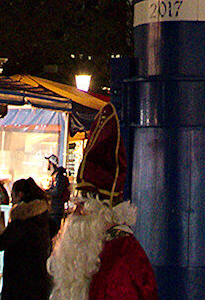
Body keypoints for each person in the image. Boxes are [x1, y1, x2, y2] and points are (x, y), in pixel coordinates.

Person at [48, 105, 158, 300]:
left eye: (80, 206)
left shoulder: (121, 260)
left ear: (98, 211)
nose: (73, 214)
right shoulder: (100, 250)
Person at [0, 178, 52, 300]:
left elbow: (4, 241)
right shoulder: (42, 215)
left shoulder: (23, 218)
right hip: (38, 278)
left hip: (20, 280)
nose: (11, 200)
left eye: (12, 195)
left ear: (19, 194)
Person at [45, 158, 70, 232]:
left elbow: (57, 192)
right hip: (55, 209)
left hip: (56, 209)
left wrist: (48, 193)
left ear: (51, 163)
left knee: (54, 230)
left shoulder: (59, 177)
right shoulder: (56, 176)